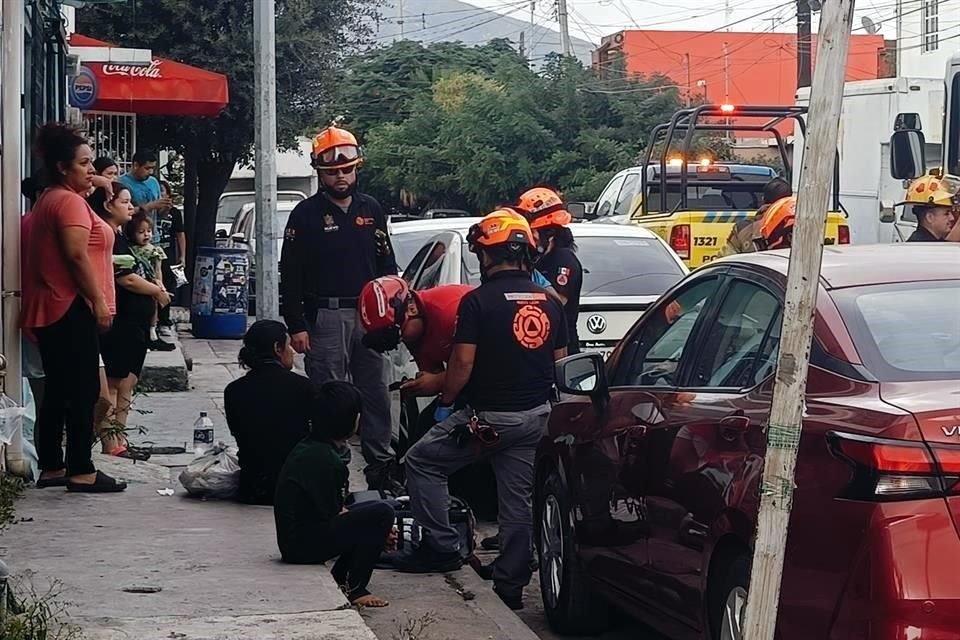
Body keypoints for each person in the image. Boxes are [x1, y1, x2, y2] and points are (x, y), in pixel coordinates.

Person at [399, 210, 567, 612]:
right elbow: (561, 365)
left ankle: (442, 546)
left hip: (488, 418)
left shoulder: (477, 302)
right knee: (517, 502)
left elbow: (461, 365)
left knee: (422, 462)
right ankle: (511, 583)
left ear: (487, 256)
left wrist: (444, 404)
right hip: (536, 417)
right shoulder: (551, 302)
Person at [279, 125, 399, 493]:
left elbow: (387, 265)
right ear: (321, 172)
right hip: (325, 318)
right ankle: (334, 468)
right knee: (329, 393)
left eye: (347, 169)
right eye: (333, 171)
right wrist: (296, 324)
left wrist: (393, 313)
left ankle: (382, 466)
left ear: (356, 168)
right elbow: (291, 275)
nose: (341, 176)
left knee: (376, 391)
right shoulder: (305, 215)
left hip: (369, 317)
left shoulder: (371, 209)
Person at [21, 123, 126, 493]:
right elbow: (76, 255)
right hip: (69, 305)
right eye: (84, 164)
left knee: (60, 389)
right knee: (83, 391)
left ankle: (52, 464)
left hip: (51, 306)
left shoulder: (50, 197)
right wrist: (98, 301)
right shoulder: (68, 203)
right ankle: (81, 467)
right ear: (64, 167)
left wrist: (97, 183)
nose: (92, 171)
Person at [274, 381, 396, 608]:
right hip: (300, 546)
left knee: (376, 509)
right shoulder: (326, 461)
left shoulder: (315, 446)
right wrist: (377, 530)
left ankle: (343, 576)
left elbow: (336, 510)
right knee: (382, 513)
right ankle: (355, 586)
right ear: (353, 420)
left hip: (304, 533)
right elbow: (334, 514)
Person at [95, 203, 172, 452]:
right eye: (124, 201)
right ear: (107, 204)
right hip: (121, 323)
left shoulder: (121, 240)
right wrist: (158, 292)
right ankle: (111, 442)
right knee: (114, 386)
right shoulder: (111, 239)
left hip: (136, 324)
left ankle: (120, 438)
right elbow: (126, 279)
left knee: (127, 383)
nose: (130, 206)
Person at [224, 320, 313, 505]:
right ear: (277, 348)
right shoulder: (303, 387)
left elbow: (238, 432)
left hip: (252, 488)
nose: (293, 352)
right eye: (288, 345)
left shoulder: (233, 391)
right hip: (293, 489)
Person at [359, 276, 473, 399]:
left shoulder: (449, 311)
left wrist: (437, 382)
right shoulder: (415, 328)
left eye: (400, 335)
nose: (402, 342)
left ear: (412, 309)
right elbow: (436, 374)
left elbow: (483, 366)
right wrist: (421, 384)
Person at [516, 187, 583, 354]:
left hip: (560, 351)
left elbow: (556, 303)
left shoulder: (563, 260)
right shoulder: (538, 258)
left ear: (550, 232)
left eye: (533, 232)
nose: (530, 238)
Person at [126, 212, 175, 352]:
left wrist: (159, 284)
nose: (146, 235)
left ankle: (152, 332)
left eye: (149, 231)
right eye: (141, 232)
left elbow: (158, 269)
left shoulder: (154, 250)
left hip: (151, 283)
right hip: (137, 285)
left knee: (153, 309)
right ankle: (143, 337)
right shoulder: (130, 250)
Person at [720, 177, 793, 256]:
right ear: (790, 199)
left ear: (763, 199)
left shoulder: (742, 229)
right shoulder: (800, 228)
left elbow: (726, 258)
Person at [155, 180, 186, 335]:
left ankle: (164, 321)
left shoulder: (174, 212)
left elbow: (180, 234)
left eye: (163, 191)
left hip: (168, 254)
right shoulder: (150, 209)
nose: (160, 194)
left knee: (167, 286)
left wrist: (182, 256)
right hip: (152, 251)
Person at [120, 150, 170, 240]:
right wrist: (148, 206)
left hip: (153, 236)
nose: (150, 172)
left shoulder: (153, 181)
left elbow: (159, 215)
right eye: (147, 168)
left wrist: (165, 207)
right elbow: (121, 213)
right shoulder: (122, 183)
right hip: (131, 238)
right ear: (136, 165)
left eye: (153, 168)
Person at [899, 175, 960, 242]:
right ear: (930, 217)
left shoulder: (926, 243)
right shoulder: (924, 247)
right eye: (946, 213)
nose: (952, 218)